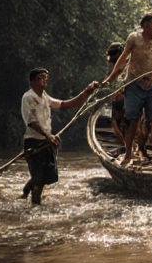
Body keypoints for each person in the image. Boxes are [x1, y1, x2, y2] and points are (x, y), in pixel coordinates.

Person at [103, 11, 152, 166]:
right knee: (132, 119)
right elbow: (124, 57)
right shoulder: (134, 38)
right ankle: (128, 155)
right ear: (145, 26)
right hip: (134, 84)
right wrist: (110, 78)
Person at [21, 68, 99, 205]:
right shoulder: (28, 97)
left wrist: (87, 92)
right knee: (38, 179)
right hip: (33, 142)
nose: (44, 80)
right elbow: (32, 122)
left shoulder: (45, 97)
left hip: (46, 141)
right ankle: (35, 207)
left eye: (46, 78)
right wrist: (48, 136)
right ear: (32, 81)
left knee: (46, 176)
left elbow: (65, 104)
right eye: (40, 78)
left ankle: (26, 192)